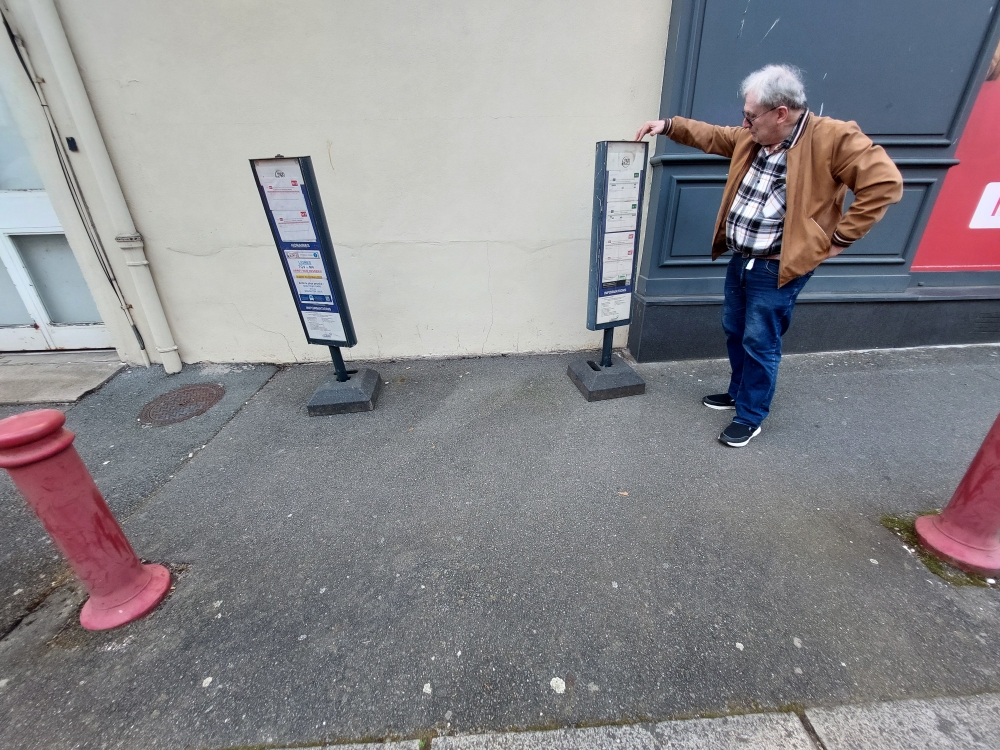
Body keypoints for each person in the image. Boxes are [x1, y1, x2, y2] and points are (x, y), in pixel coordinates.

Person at [635, 64, 903, 447]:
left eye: (751, 116)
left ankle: (751, 415)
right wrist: (668, 126)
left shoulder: (833, 138)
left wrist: (840, 239)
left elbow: (884, 183)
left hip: (778, 267)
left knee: (760, 341)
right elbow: (714, 136)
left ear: (780, 113)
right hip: (741, 258)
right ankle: (738, 392)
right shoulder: (754, 139)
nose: (744, 124)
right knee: (735, 330)